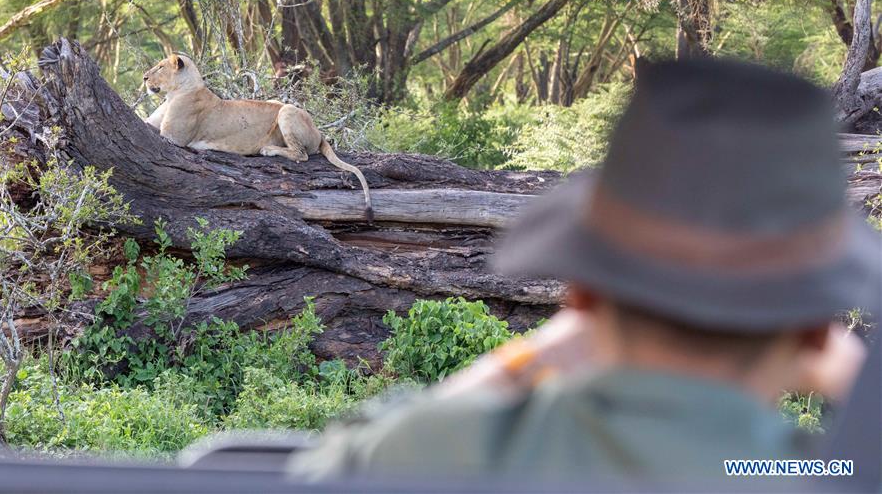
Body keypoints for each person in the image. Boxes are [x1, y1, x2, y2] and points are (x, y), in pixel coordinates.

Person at [285, 59, 880, 485]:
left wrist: (528, 357)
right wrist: (856, 379)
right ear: (811, 325)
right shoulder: (807, 472)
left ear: (580, 295)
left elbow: (329, 469)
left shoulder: (452, 450)